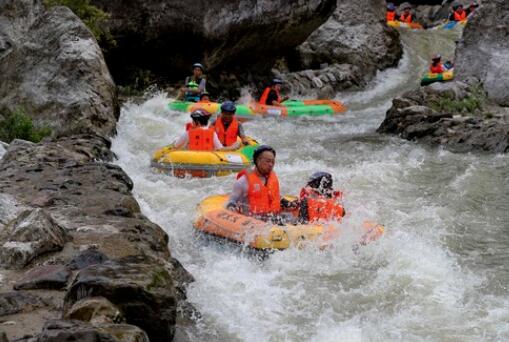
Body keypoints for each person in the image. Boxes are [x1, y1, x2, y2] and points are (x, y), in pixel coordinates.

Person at [226, 145, 281, 219]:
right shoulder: (243, 182)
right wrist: (232, 209)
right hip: (252, 221)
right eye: (267, 161)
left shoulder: (272, 179)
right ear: (258, 160)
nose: (270, 165)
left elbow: (274, 197)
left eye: (272, 162)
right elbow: (231, 202)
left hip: (272, 219)